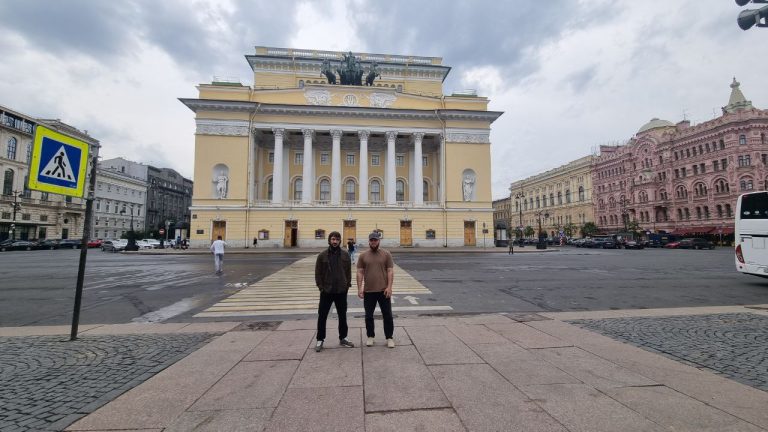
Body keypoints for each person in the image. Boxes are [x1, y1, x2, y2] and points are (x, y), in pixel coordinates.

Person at [314, 231, 354, 352]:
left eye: (337, 239)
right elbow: (318, 273)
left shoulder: (345, 255)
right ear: (329, 240)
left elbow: (348, 272)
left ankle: (343, 338)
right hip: (327, 291)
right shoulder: (322, 255)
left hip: (341, 291)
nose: (334, 241)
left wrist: (346, 286)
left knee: (342, 316)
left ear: (340, 241)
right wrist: (321, 287)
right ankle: (320, 339)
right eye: (332, 239)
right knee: (322, 316)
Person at [357, 231, 395, 348]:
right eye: (371, 240)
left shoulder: (386, 254)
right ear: (369, 241)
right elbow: (359, 272)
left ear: (379, 241)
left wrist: (389, 287)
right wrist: (359, 288)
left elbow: (390, 271)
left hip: (383, 290)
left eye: (375, 240)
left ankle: (389, 337)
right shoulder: (363, 255)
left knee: (387, 315)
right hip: (368, 291)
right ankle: (370, 336)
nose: (373, 242)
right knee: (368, 315)